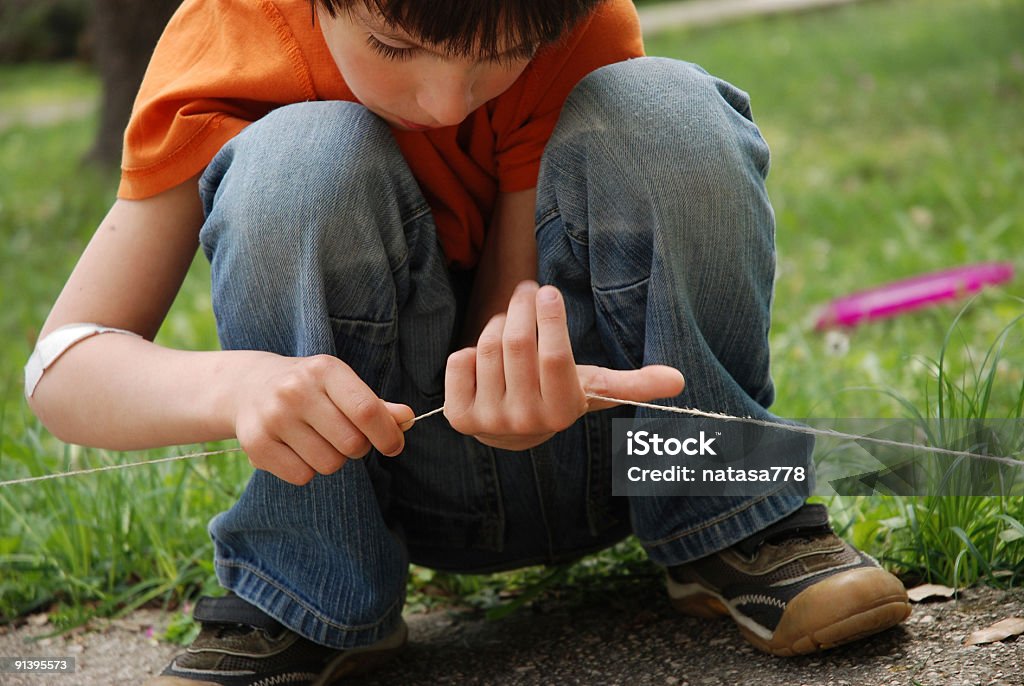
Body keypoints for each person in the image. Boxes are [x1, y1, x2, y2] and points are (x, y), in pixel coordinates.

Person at [25, 0, 912, 683]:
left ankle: (730, 522)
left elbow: (506, 308)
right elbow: (61, 369)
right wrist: (233, 387)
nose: (446, 99)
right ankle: (312, 593)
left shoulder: (563, 16)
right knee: (299, 155)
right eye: (396, 48)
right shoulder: (231, 38)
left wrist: (520, 382)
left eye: (497, 57)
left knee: (667, 109)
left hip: (614, 447)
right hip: (378, 481)